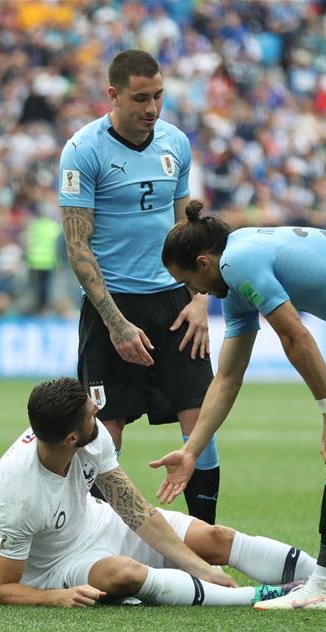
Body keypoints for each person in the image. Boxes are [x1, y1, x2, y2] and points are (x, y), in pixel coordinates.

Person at [151, 202, 326, 610]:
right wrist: (192, 450)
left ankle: (322, 586)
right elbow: (228, 378)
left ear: (203, 261)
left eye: (189, 281)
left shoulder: (236, 263)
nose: (194, 292)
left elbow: (296, 336)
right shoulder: (235, 271)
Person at [0, 377, 326, 608]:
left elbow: (135, 512)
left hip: (101, 523)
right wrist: (54, 596)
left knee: (214, 539)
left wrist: (199, 567)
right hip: (62, 565)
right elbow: (0, 588)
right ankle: (257, 597)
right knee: (124, 574)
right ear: (72, 436)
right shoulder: (14, 489)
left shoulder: (90, 437)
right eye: (93, 416)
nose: (100, 415)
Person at [58, 50, 221, 524]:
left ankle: (206, 544)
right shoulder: (83, 150)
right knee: (102, 435)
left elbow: (187, 230)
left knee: (200, 428)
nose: (152, 108)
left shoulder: (175, 143)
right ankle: (100, 549)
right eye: (140, 98)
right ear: (113, 95)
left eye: (159, 96)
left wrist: (198, 299)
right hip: (112, 305)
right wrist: (116, 323)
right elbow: (77, 245)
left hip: (175, 301)